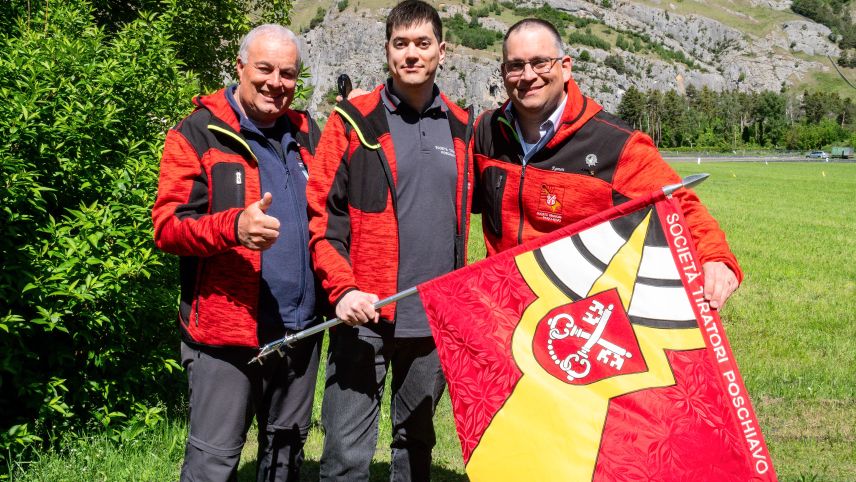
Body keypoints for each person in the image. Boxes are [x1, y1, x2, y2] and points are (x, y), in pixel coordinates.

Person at [305, 1, 474, 480]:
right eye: (401, 44)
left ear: (443, 50)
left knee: (416, 443)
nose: (412, 54)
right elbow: (322, 215)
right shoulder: (352, 122)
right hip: (363, 314)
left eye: (423, 44)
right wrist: (343, 289)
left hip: (432, 317)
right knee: (345, 454)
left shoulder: (463, 126)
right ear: (387, 51)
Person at [151, 24, 321, 481]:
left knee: (284, 458)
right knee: (213, 462)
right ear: (240, 67)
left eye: (288, 74)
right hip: (227, 338)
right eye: (264, 69)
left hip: (300, 332)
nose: (275, 83)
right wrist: (233, 227)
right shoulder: (197, 134)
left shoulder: (309, 135)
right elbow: (167, 228)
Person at [473, 18, 742, 308]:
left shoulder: (615, 143)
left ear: (565, 68)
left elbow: (678, 203)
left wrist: (715, 258)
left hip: (573, 316)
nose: (527, 75)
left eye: (540, 63)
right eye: (515, 65)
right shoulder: (486, 131)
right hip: (500, 310)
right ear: (503, 73)